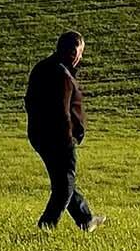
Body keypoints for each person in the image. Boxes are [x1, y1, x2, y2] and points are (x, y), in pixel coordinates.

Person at [24, 31, 103, 233]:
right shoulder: (61, 74)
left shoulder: (42, 68)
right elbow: (62, 112)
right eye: (80, 52)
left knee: (63, 181)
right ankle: (46, 226)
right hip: (59, 139)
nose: (81, 58)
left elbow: (29, 101)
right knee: (65, 185)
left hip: (39, 136)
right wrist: (69, 138)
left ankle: (86, 219)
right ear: (72, 51)